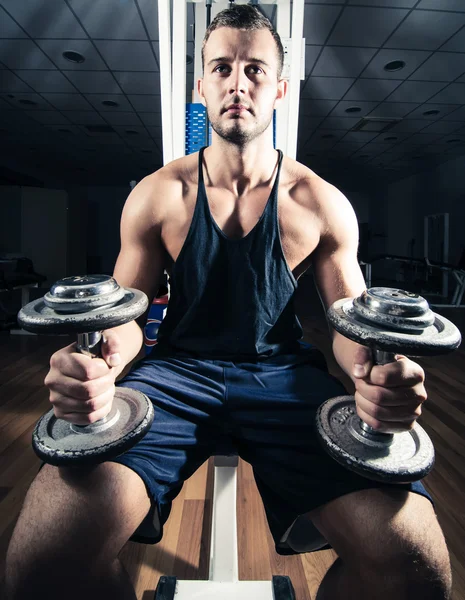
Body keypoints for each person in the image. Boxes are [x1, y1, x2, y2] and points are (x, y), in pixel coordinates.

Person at [5, 5, 452, 600]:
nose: (237, 83)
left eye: (255, 70)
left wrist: (375, 377)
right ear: (202, 85)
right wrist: (101, 364)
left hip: (284, 381)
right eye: (221, 67)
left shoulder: (319, 201)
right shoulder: (158, 195)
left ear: (280, 88)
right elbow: (130, 317)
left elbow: (350, 325)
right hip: (174, 377)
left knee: (414, 566)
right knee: (44, 559)